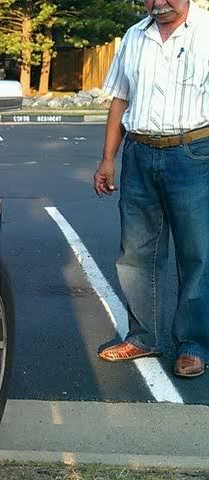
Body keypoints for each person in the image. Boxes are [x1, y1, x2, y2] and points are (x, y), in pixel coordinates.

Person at [94, 0, 209, 378]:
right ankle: (143, 337)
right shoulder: (133, 37)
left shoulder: (206, 31)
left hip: (193, 154)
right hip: (139, 154)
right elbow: (120, 99)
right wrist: (108, 158)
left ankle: (193, 345)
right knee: (136, 254)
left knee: (196, 254)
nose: (158, 4)